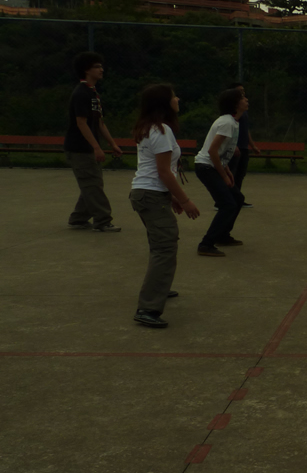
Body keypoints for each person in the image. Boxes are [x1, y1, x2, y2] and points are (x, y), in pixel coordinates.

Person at [129, 84, 201, 328]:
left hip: (146, 193)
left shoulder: (150, 128)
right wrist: (185, 200)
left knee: (159, 245)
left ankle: (159, 287)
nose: (177, 99)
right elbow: (163, 172)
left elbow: (157, 169)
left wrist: (170, 197)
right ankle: (148, 307)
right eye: (173, 96)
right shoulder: (161, 130)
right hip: (150, 194)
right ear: (164, 103)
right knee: (165, 247)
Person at [64, 52, 124, 232]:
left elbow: (99, 123)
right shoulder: (81, 93)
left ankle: (78, 218)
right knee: (92, 184)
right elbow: (81, 123)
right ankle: (102, 221)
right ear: (86, 70)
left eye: (101, 66)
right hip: (79, 148)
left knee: (91, 183)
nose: (101, 69)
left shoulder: (93, 93)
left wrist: (112, 144)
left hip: (87, 148)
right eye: (97, 67)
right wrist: (96, 147)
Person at [194, 88, 247, 256]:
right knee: (227, 204)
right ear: (235, 104)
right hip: (206, 167)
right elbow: (212, 151)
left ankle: (223, 235)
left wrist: (227, 171)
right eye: (242, 98)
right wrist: (224, 175)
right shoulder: (227, 123)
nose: (246, 100)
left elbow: (222, 152)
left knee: (237, 199)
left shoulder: (233, 122)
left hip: (214, 166)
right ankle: (206, 244)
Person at [226, 82, 261, 208]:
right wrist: (233, 144)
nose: (243, 93)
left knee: (240, 174)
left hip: (244, 147)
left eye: (243, 91)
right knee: (232, 173)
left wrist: (253, 145)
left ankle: (237, 199)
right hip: (235, 147)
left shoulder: (244, 111)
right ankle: (223, 200)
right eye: (239, 91)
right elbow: (229, 129)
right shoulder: (232, 111)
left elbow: (246, 130)